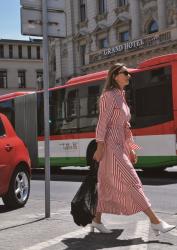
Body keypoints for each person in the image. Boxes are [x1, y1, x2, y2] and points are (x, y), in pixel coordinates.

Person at [92, 63, 175, 236]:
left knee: (106, 184)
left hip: (120, 146)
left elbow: (125, 127)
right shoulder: (108, 96)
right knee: (132, 180)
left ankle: (96, 220)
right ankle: (156, 222)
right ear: (115, 76)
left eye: (129, 73)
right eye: (125, 73)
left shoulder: (121, 96)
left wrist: (131, 148)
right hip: (110, 147)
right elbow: (102, 123)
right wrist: (100, 146)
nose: (129, 76)